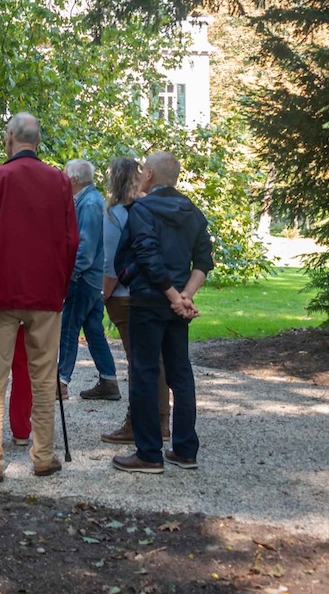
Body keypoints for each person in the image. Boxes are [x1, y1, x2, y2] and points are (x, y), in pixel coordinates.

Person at [0, 113, 78, 482]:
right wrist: (60, 284)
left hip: (2, 290)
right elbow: (72, 241)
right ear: (37, 141)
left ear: (10, 137)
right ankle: (43, 455)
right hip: (45, 293)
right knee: (44, 377)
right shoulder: (59, 181)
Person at [111, 151, 213, 474]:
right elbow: (204, 262)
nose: (140, 175)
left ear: (151, 176)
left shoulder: (141, 209)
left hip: (148, 300)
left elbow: (146, 254)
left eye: (143, 171)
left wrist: (172, 296)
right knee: (180, 373)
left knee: (143, 373)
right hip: (176, 305)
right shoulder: (192, 212)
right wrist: (185, 296)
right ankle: (185, 449)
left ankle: (149, 453)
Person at [100, 157, 170, 444]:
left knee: (138, 363)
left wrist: (103, 295)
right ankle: (162, 422)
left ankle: (136, 423)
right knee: (157, 360)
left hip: (125, 295)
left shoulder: (116, 214)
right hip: (157, 290)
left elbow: (110, 263)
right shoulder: (153, 207)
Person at [58, 159, 121, 400]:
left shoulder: (90, 204)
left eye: (65, 174)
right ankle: (109, 381)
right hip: (92, 277)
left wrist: (71, 276)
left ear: (73, 179)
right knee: (93, 328)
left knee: (68, 327)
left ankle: (61, 382)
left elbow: (85, 246)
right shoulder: (87, 200)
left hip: (85, 277)